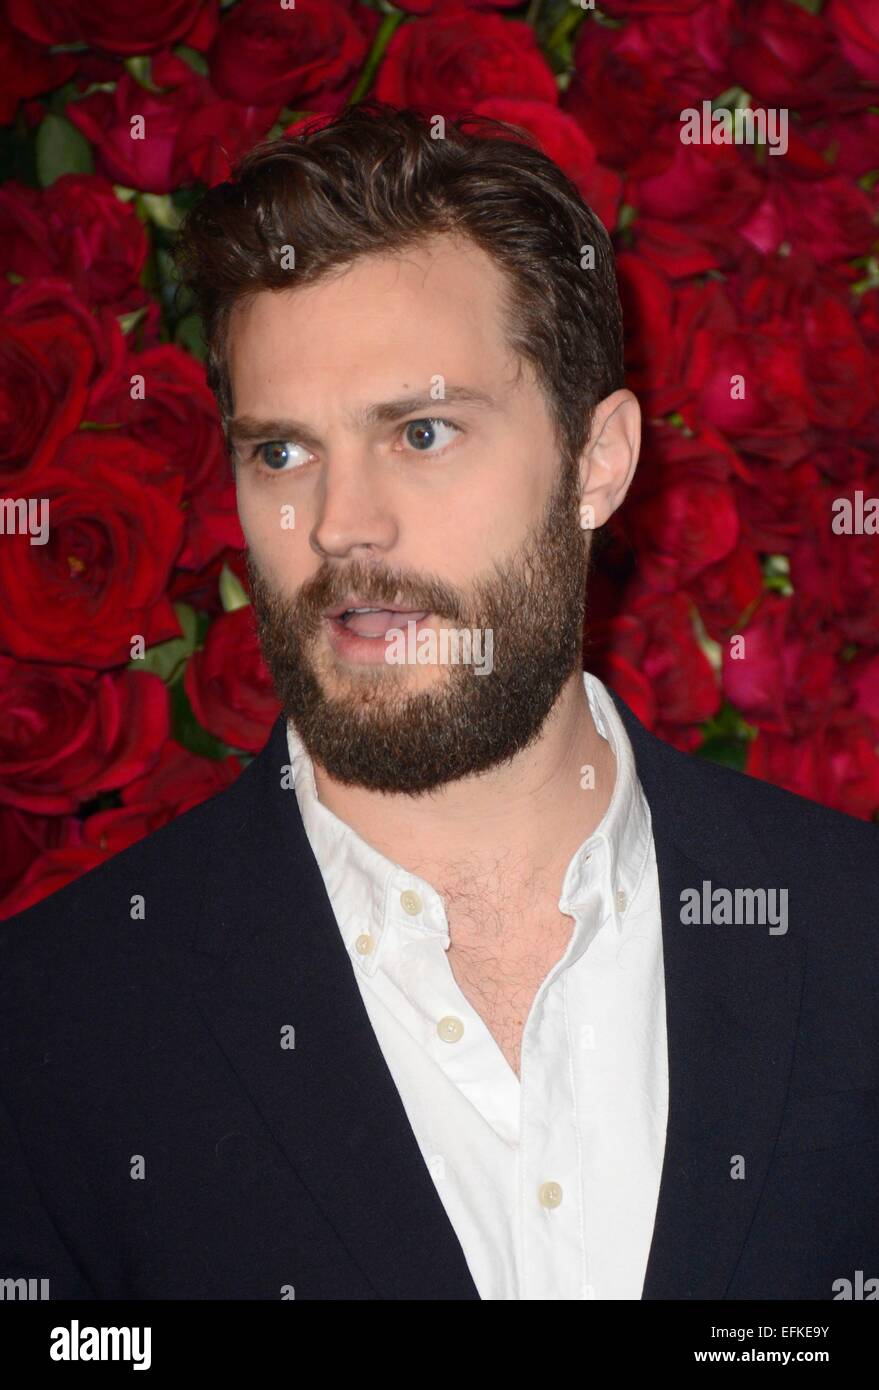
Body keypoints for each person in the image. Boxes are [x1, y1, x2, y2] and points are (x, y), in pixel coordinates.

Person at [1, 102, 876, 1302]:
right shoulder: (51, 1032)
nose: (341, 523)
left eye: (420, 430)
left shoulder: (850, 935)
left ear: (598, 462)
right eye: (282, 452)